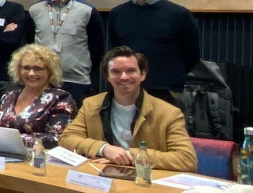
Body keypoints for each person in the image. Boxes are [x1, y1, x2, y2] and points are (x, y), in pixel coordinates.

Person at [59, 47, 197, 172]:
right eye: (116, 72)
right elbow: (66, 138)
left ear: (143, 75)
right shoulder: (91, 105)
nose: (124, 77)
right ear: (107, 77)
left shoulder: (169, 113)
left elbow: (186, 160)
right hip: (101, 178)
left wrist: (129, 156)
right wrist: (104, 149)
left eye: (131, 71)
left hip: (146, 180)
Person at [107, 0, 200, 105]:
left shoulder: (179, 14)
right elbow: (116, 51)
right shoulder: (117, 14)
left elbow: (192, 55)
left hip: (168, 92)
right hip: (128, 90)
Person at [28, 0, 105, 106]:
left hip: (76, 81)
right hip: (43, 80)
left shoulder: (87, 11)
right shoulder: (34, 10)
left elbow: (97, 48)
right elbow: (29, 43)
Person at [0, 44, 76, 147]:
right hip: (4, 152)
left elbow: (57, 138)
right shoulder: (8, 97)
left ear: (50, 71)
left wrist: (11, 139)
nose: (31, 73)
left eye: (38, 69)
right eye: (26, 68)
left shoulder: (61, 99)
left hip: (41, 155)